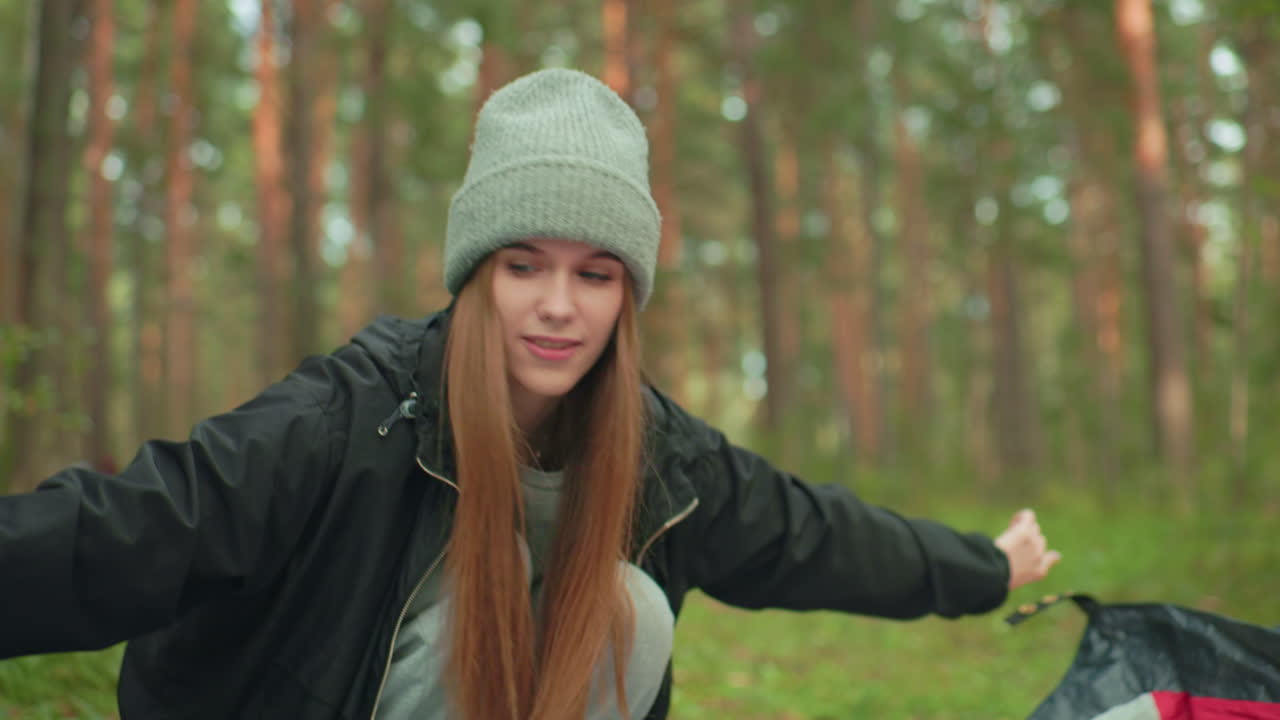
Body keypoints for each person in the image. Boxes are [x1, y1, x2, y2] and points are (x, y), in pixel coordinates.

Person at [0, 68, 1060, 720]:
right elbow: (137, 525)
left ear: (624, 296)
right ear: (474, 274)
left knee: (626, 613)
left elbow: (808, 532)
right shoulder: (352, 416)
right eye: (523, 266)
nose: (557, 306)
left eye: (594, 275)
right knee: (480, 587)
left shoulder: (655, 452)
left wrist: (985, 567)